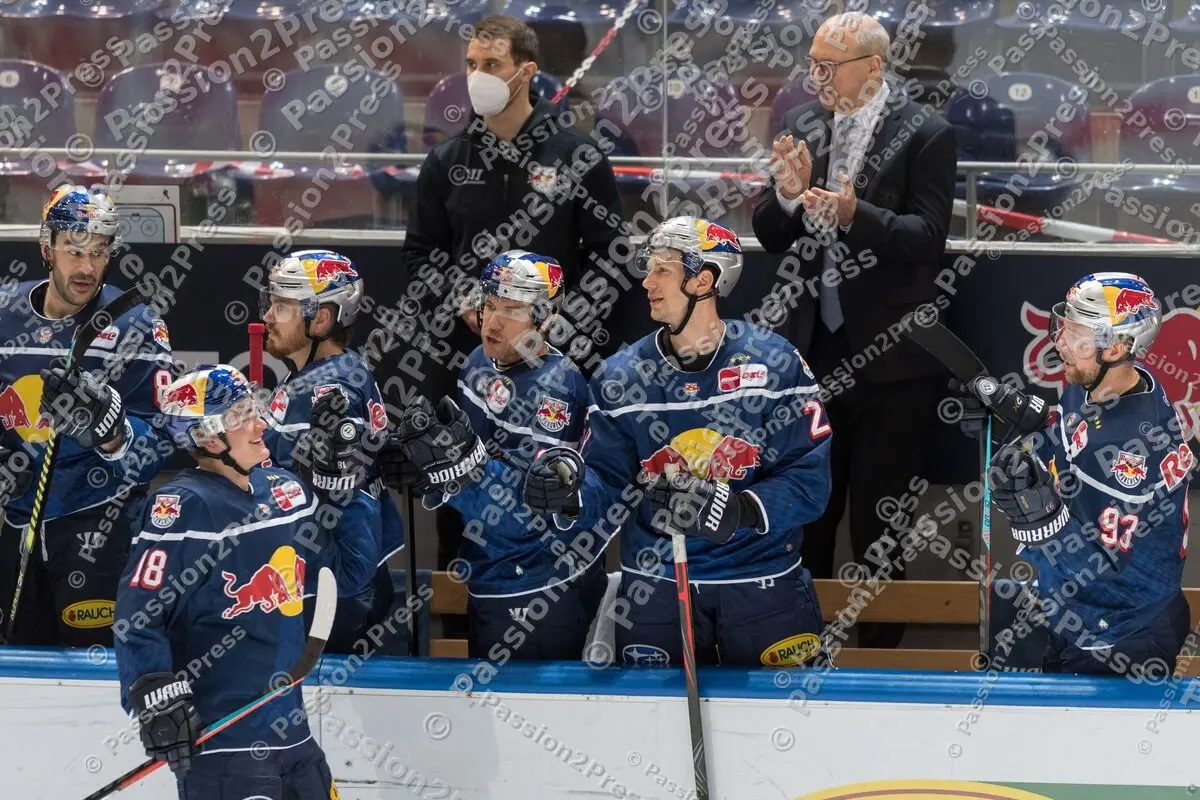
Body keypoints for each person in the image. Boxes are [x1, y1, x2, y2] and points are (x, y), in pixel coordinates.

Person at [523, 217, 833, 668]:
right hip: (656, 591)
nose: (647, 282)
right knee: (652, 737)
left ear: (703, 279)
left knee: (783, 730)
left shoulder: (775, 364)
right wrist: (569, 494)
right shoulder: (619, 377)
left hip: (763, 589)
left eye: (662, 269)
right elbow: (607, 484)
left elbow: (809, 482)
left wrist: (740, 509)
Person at [401, 14, 624, 630]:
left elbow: (612, 256)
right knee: (459, 489)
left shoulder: (576, 154)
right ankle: (462, 628)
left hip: (557, 372)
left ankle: (573, 629)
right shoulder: (447, 159)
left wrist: (560, 325)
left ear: (527, 71)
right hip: (466, 362)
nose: (477, 77)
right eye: (470, 64)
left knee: (562, 491)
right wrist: (464, 302)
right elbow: (421, 253)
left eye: (490, 64)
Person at [751, 11, 956, 647]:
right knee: (808, 511)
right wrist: (786, 197)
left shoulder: (926, 132)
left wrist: (854, 214)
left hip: (894, 361)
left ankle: (880, 664)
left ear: (873, 67)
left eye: (828, 66)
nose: (815, 77)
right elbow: (770, 232)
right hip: (813, 353)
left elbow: (927, 239)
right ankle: (798, 645)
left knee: (881, 523)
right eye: (811, 64)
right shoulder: (801, 124)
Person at [114, 365, 375, 798]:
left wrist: (347, 490)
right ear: (208, 436)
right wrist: (154, 695)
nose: (259, 425)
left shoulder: (284, 489)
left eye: (253, 409)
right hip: (224, 747)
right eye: (240, 416)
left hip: (294, 737)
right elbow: (138, 616)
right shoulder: (183, 508)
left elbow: (348, 575)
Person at [380, 250, 605, 660]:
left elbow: (530, 511)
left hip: (544, 582)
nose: (492, 322)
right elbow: (472, 465)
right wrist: (424, 471)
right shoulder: (477, 364)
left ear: (544, 319)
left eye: (511, 310)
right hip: (486, 572)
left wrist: (449, 471)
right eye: (488, 305)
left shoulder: (557, 388)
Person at [988, 273, 1192, 676]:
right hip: (1092, 617)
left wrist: (1041, 522)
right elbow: (1072, 437)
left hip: (1120, 633)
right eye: (1064, 327)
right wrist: (1038, 424)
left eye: (1077, 334)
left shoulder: (1127, 451)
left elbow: (1104, 578)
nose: (1061, 343)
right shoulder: (1098, 385)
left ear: (1116, 347)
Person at [0, 183, 174, 647]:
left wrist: (112, 430)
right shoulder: (5, 310)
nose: (87, 267)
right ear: (46, 249)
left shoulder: (135, 322)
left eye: (99, 252)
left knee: (93, 673)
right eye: (75, 251)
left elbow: (165, 439)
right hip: (16, 523)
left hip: (100, 528)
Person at [259, 249, 403, 653]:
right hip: (342, 585)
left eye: (282, 306)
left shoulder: (325, 393)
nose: (268, 316)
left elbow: (340, 510)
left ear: (321, 318)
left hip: (334, 594)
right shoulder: (338, 371)